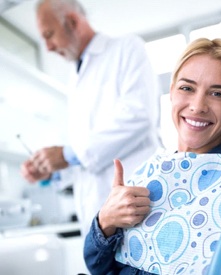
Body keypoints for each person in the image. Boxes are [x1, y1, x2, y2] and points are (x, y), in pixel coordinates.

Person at [83, 37, 221, 274]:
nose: (198, 106)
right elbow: (98, 267)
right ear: (171, 93)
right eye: (187, 88)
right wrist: (105, 222)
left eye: (218, 94)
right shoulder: (150, 173)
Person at [20, 0, 161, 236]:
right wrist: (51, 168)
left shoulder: (126, 48)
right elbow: (86, 153)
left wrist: (65, 155)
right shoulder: (75, 78)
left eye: (49, 35)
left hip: (135, 207)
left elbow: (139, 116)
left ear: (73, 22)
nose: (48, 48)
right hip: (97, 218)